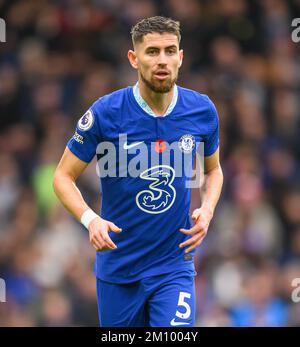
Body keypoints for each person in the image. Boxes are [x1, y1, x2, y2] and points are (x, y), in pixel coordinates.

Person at [53, 16, 223, 327]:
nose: (162, 61)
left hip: (173, 266)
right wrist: (90, 220)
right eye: (152, 52)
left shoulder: (202, 110)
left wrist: (208, 209)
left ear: (181, 57)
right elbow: (62, 176)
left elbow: (213, 171)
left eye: (170, 51)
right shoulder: (106, 113)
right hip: (119, 269)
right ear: (134, 58)